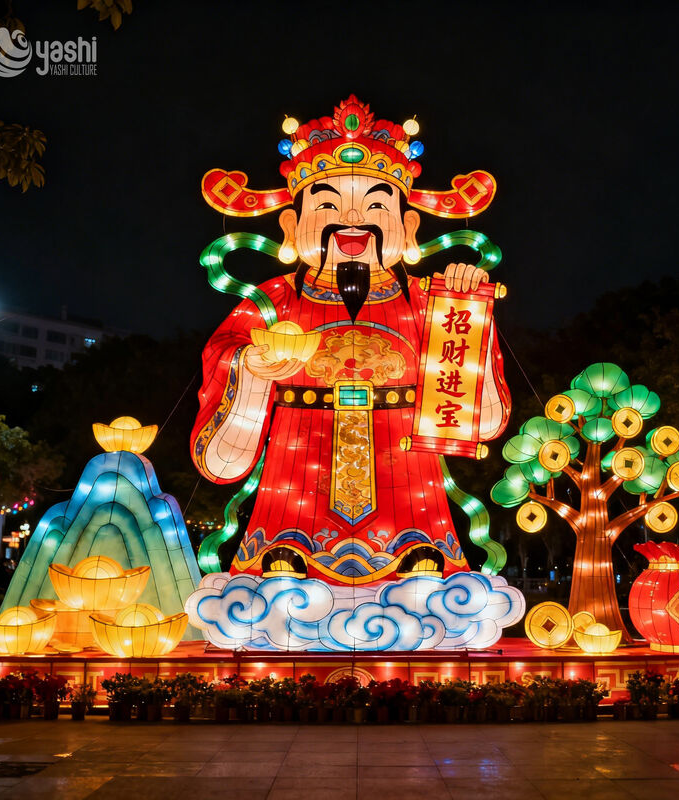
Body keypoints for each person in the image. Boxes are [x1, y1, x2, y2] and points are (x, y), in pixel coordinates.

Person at [191, 96, 510, 588]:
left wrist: (467, 313)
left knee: (419, 563)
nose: (352, 221)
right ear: (292, 227)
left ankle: (416, 556)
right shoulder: (272, 301)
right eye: (326, 205)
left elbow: (481, 422)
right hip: (296, 468)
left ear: (407, 228)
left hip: (408, 479)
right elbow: (225, 360)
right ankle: (288, 551)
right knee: (284, 561)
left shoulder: (429, 301)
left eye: (377, 205)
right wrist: (252, 366)